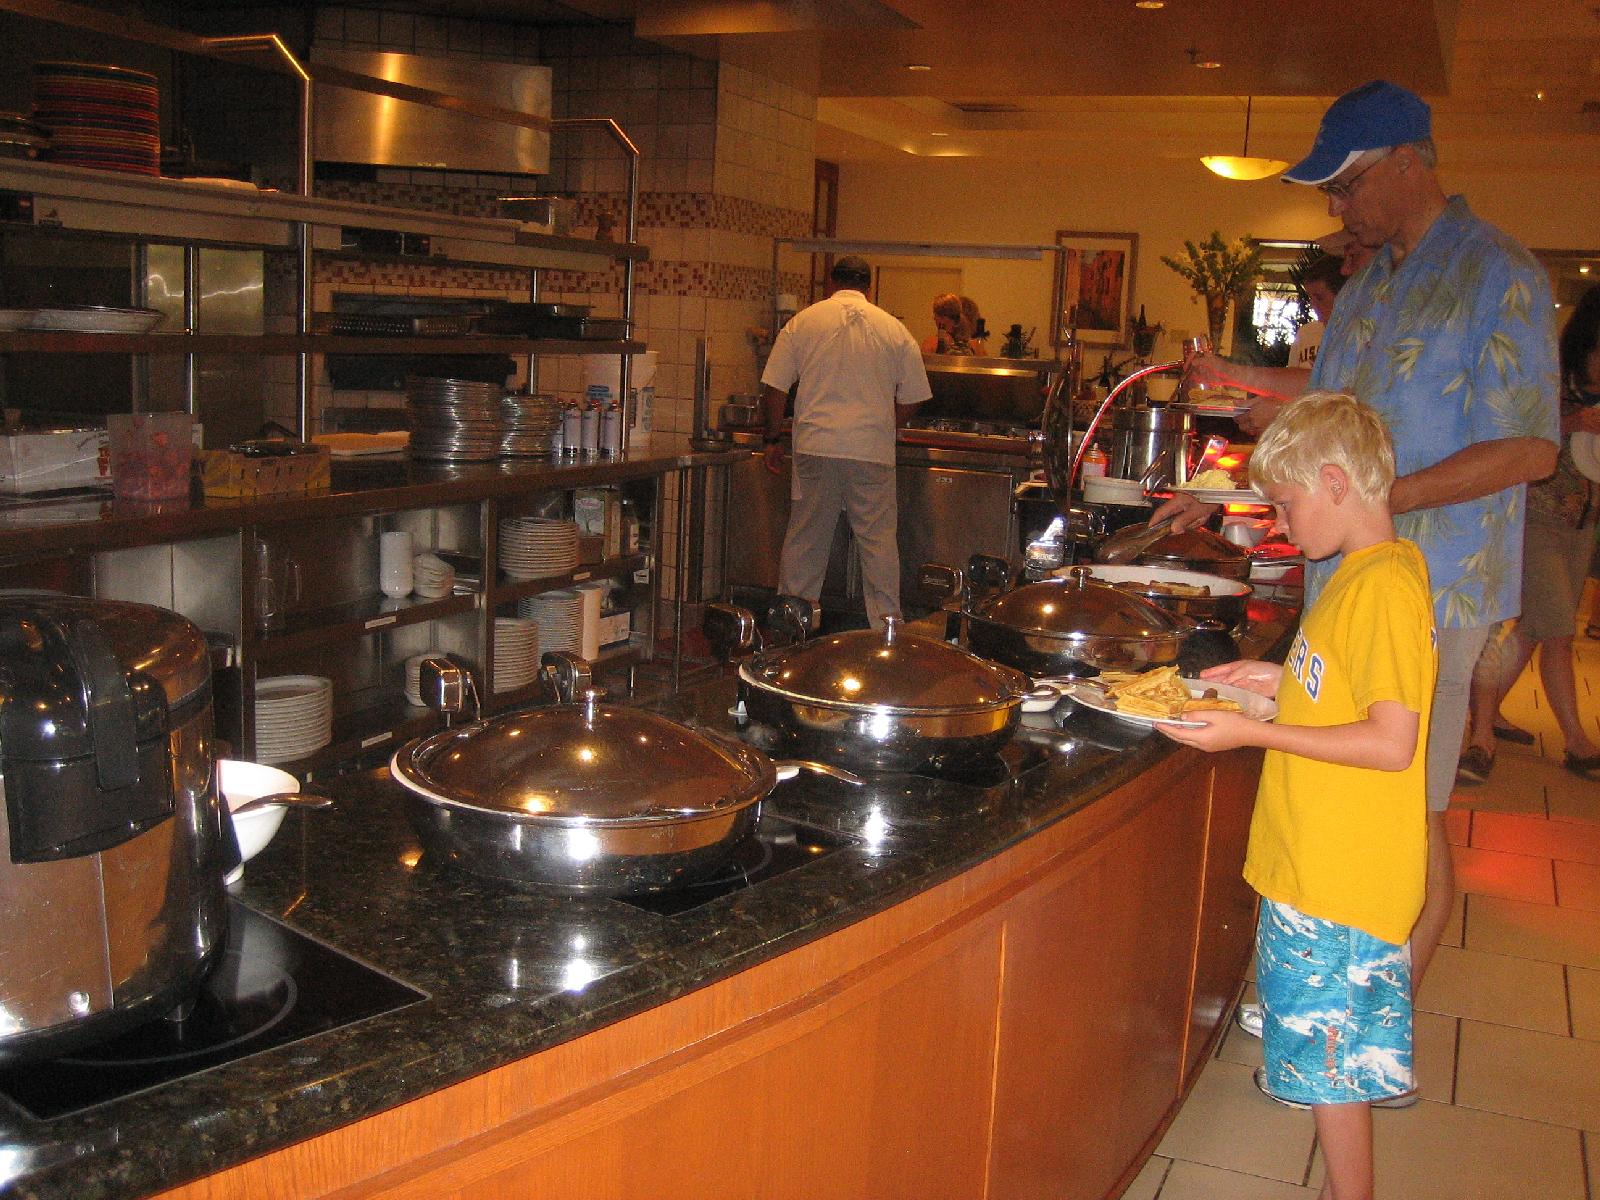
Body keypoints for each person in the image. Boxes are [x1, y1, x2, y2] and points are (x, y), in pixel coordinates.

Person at [1157, 79, 1559, 1006]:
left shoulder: (1499, 272)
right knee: (1349, 793)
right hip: (1345, 581)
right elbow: (1329, 406)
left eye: (1346, 185)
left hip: (1438, 589)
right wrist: (1230, 426)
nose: (1337, 208)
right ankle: (1339, 994)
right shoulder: (1375, 279)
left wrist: (1381, 499)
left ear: (1407, 164)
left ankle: (1372, 1024)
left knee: (1408, 810)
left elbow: (1532, 448)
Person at [1160, 392, 1437, 1200]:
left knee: (1331, 1074)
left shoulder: (1383, 590)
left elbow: (1390, 742)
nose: (1281, 523)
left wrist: (1254, 735)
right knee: (1326, 1067)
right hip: (1316, 869)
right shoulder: (1362, 577)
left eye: (1286, 503)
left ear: (1335, 482)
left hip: (1339, 885)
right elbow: (1345, 690)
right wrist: (1276, 683)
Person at [1460, 283, 1600, 781]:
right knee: (1558, 629)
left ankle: (1485, 716)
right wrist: (1574, 420)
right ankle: (1577, 741)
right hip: (1536, 516)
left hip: (1581, 521)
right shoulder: (1551, 380)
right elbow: (1518, 437)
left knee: (1537, 627)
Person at [761, 255, 931, 630]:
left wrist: (772, 438)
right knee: (878, 544)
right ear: (869, 287)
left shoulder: (802, 322)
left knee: (806, 541)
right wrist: (885, 424)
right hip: (871, 450)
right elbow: (915, 395)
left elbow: (774, 387)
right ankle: (886, 630)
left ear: (831, 283)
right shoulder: (894, 329)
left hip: (816, 445)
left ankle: (792, 626)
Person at [1286, 252, 1347, 371]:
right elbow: (1292, 373)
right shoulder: (1306, 333)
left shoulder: (1357, 335)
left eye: (1319, 298)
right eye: (1311, 298)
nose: (1313, 305)